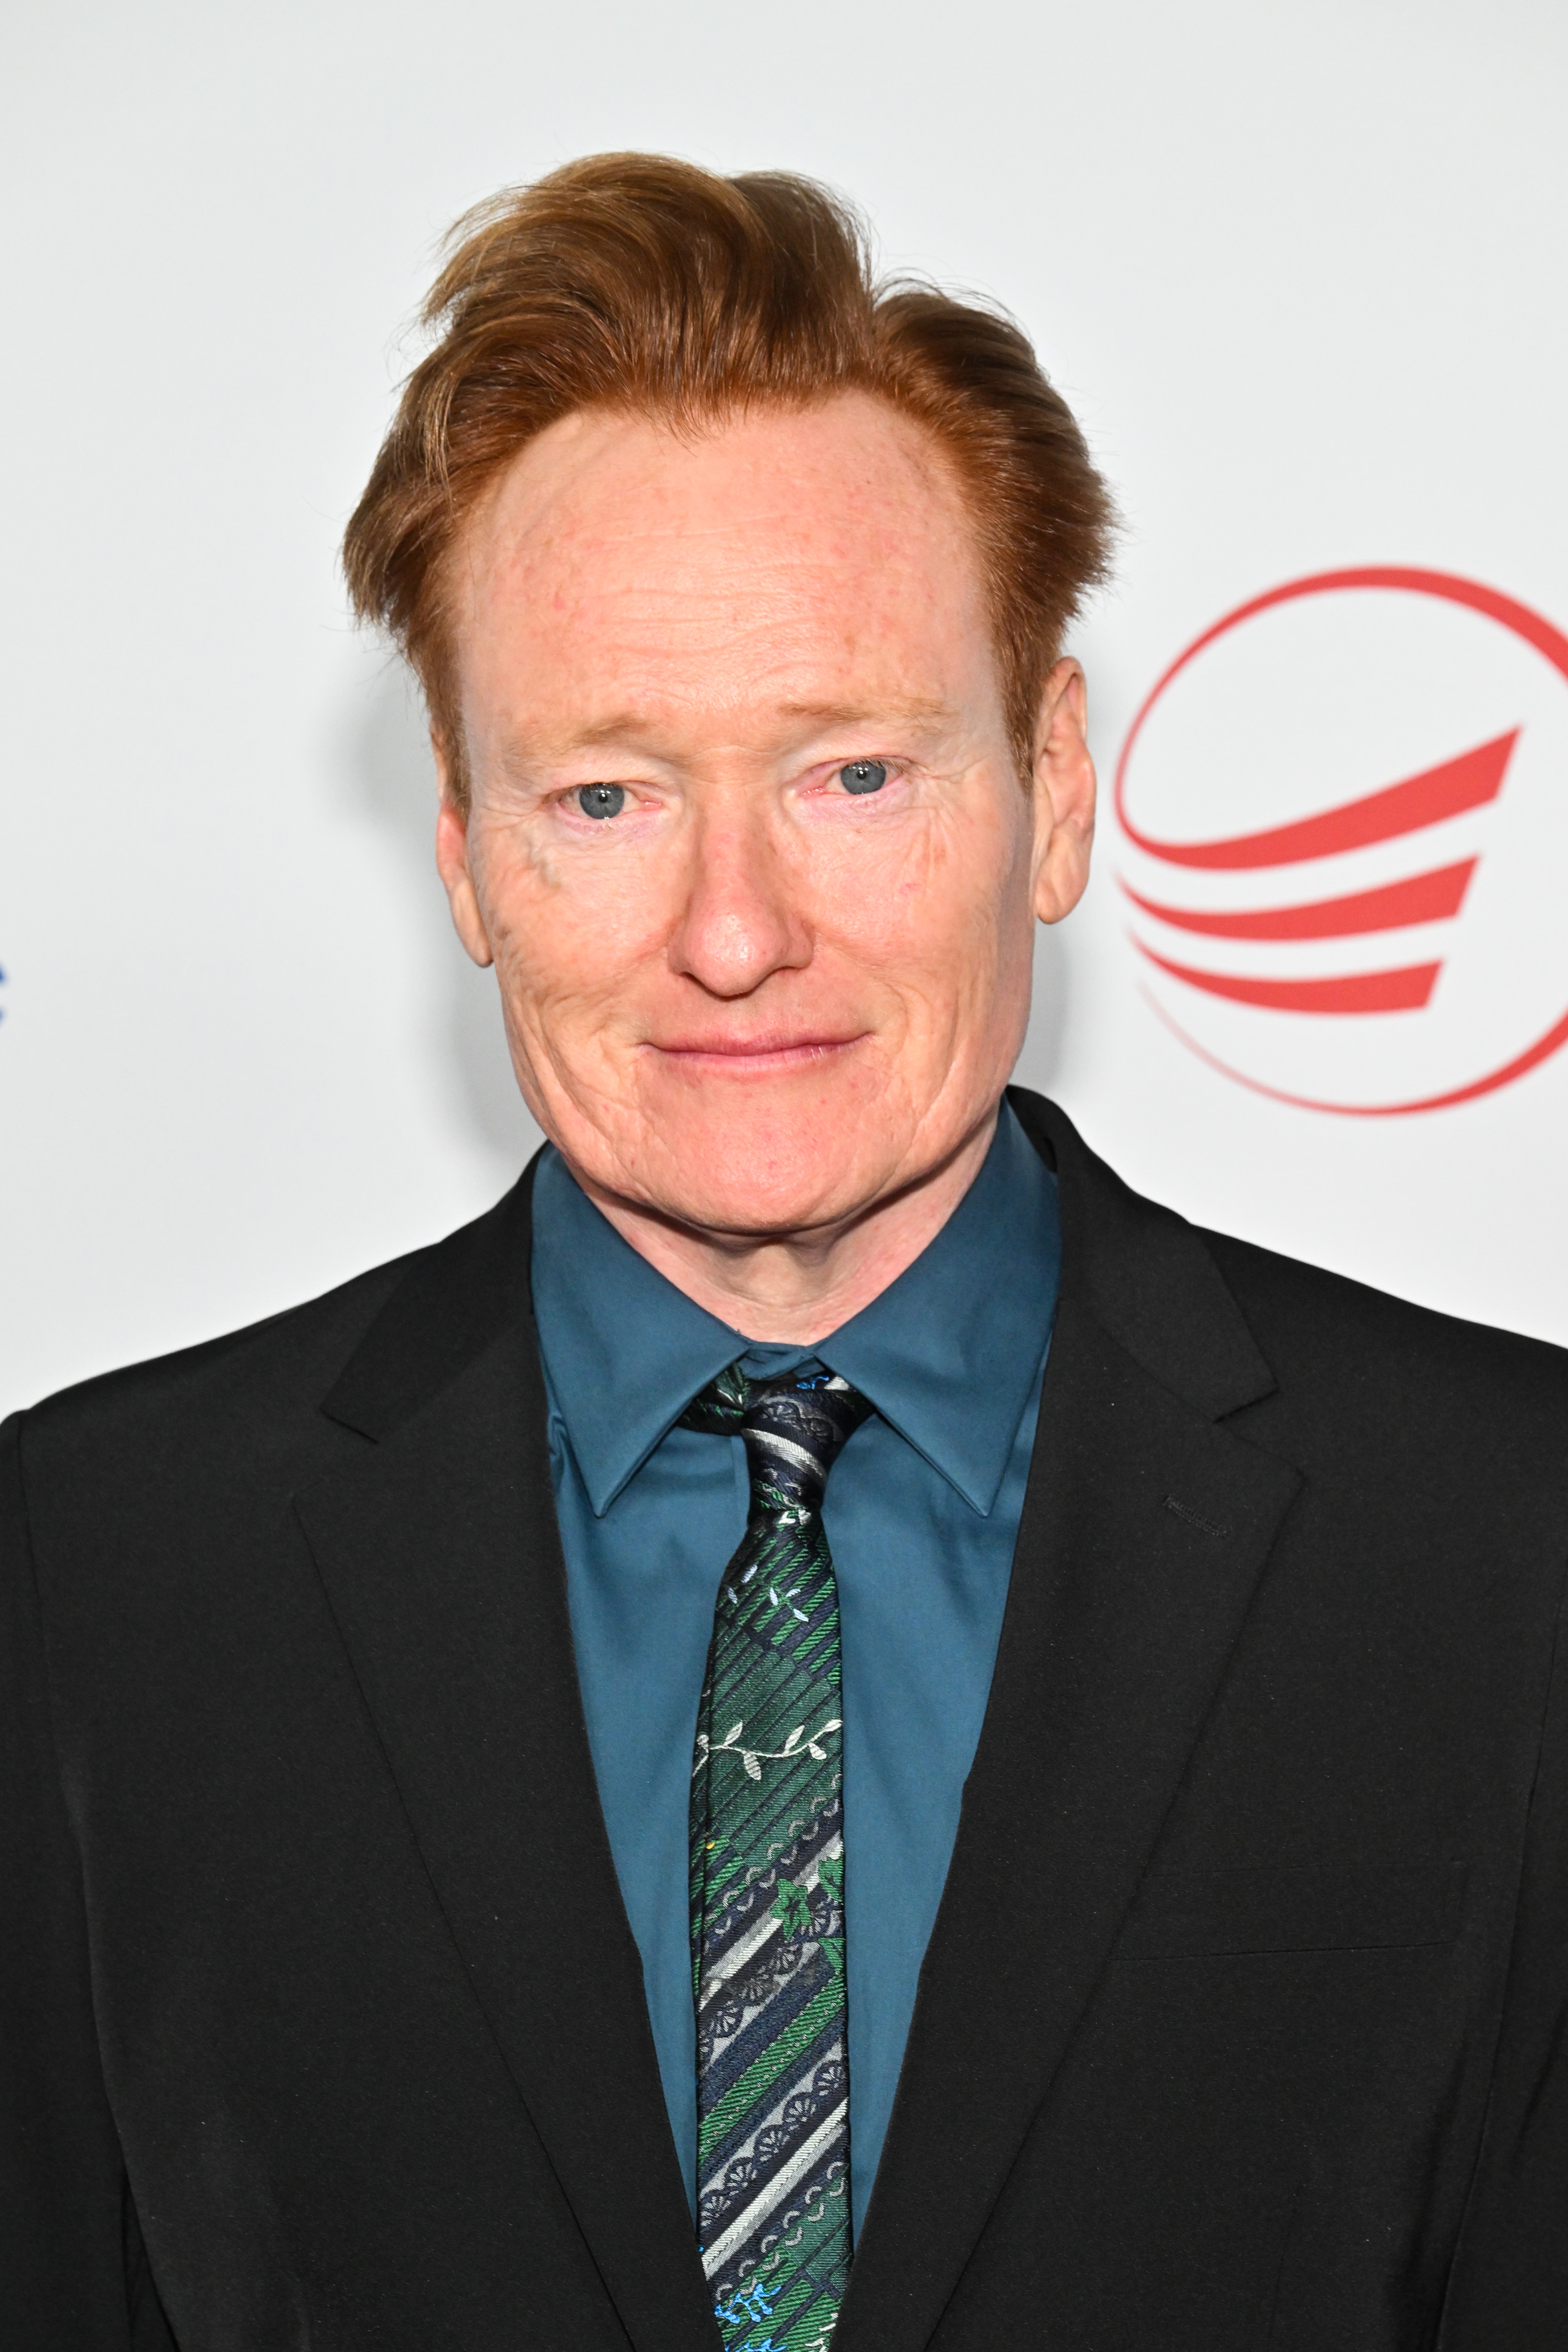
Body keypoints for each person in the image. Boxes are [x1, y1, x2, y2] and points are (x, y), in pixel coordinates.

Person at [3, 152, 1565, 2352]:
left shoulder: (1508, 1548)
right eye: (607, 796)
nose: (735, 935)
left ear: (1055, 785)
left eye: (850, 774)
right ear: (461, 843)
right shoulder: (95, 1573)